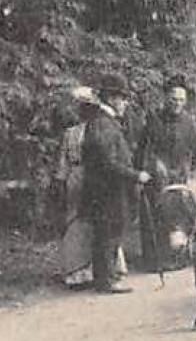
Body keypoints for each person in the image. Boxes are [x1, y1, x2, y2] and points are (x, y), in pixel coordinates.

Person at [80, 72, 151, 293]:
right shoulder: (103, 123)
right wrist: (135, 175)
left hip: (108, 188)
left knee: (109, 232)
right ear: (111, 99)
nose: (125, 104)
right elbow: (108, 163)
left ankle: (105, 278)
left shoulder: (105, 122)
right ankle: (107, 280)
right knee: (109, 233)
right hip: (107, 190)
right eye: (122, 99)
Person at [137, 75, 196, 273]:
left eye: (182, 100)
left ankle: (180, 256)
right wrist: (152, 167)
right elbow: (145, 148)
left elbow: (195, 150)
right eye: (174, 100)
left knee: (182, 212)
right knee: (156, 215)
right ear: (166, 98)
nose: (177, 104)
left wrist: (190, 171)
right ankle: (156, 260)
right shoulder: (154, 120)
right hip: (158, 175)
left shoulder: (189, 123)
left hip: (180, 174)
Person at [53, 86, 101, 289]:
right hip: (77, 177)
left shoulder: (99, 129)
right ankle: (76, 270)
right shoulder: (70, 133)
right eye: (80, 108)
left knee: (95, 219)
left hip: (94, 177)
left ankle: (95, 268)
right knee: (74, 219)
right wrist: (61, 181)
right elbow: (63, 161)